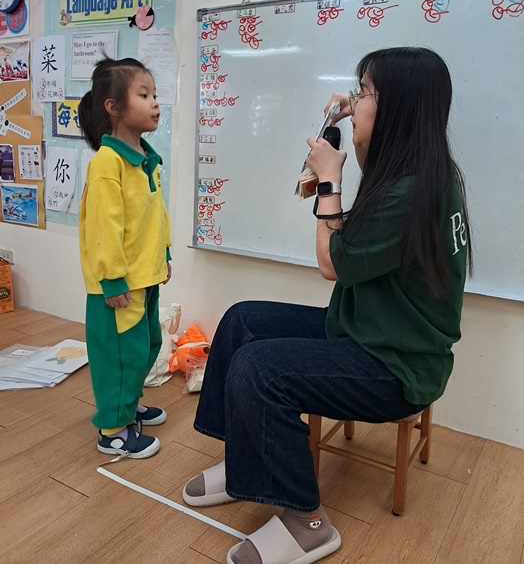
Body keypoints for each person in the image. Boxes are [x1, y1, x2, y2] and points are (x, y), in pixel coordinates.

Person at [181, 47, 472, 564]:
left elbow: (331, 262)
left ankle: (308, 523)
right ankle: (244, 458)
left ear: (397, 108)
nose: (355, 100)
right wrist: (355, 125)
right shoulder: (424, 171)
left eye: (365, 93)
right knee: (241, 320)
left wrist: (330, 180)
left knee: (258, 369)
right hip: (366, 330)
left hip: (396, 367)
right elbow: (374, 179)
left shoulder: (412, 193)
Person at [78, 57, 172, 459]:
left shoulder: (146, 159)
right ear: (113, 107)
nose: (155, 103)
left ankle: (128, 404)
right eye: (144, 95)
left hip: (144, 275)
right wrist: (111, 279)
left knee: (146, 345)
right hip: (118, 283)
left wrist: (164, 254)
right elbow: (103, 228)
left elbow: (154, 215)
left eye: (155, 95)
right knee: (119, 356)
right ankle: (112, 429)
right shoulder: (107, 163)